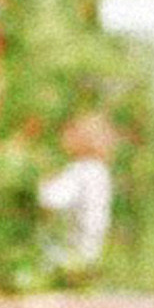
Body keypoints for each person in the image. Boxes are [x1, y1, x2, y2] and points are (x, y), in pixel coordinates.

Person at [39, 113, 115, 269]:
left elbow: (51, 200)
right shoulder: (99, 170)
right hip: (90, 252)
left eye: (71, 133)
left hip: (71, 256)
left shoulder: (83, 170)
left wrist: (37, 182)